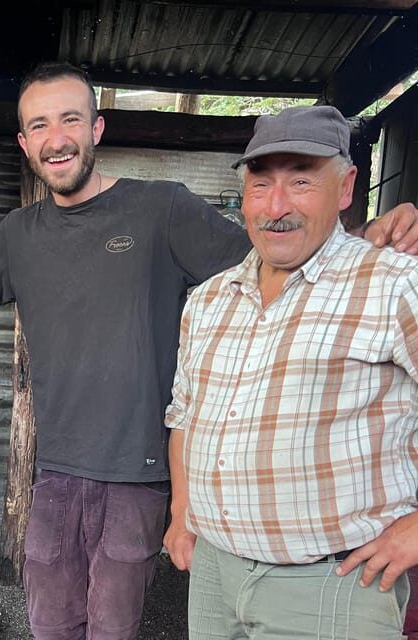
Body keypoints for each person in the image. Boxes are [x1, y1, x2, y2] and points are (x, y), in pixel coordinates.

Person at [0, 63, 418, 640]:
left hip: (139, 473)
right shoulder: (18, 235)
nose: (57, 139)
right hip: (55, 473)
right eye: (40, 126)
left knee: (112, 630)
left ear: (97, 128)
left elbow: (269, 249)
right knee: (50, 626)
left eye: (71, 120)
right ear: (25, 142)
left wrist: (364, 237)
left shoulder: (162, 208)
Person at [164, 104, 418, 640]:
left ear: (345, 187)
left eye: (301, 181)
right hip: (214, 574)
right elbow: (186, 413)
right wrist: (183, 511)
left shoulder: (393, 284)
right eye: (261, 185)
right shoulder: (209, 299)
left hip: (333, 581)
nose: (276, 207)